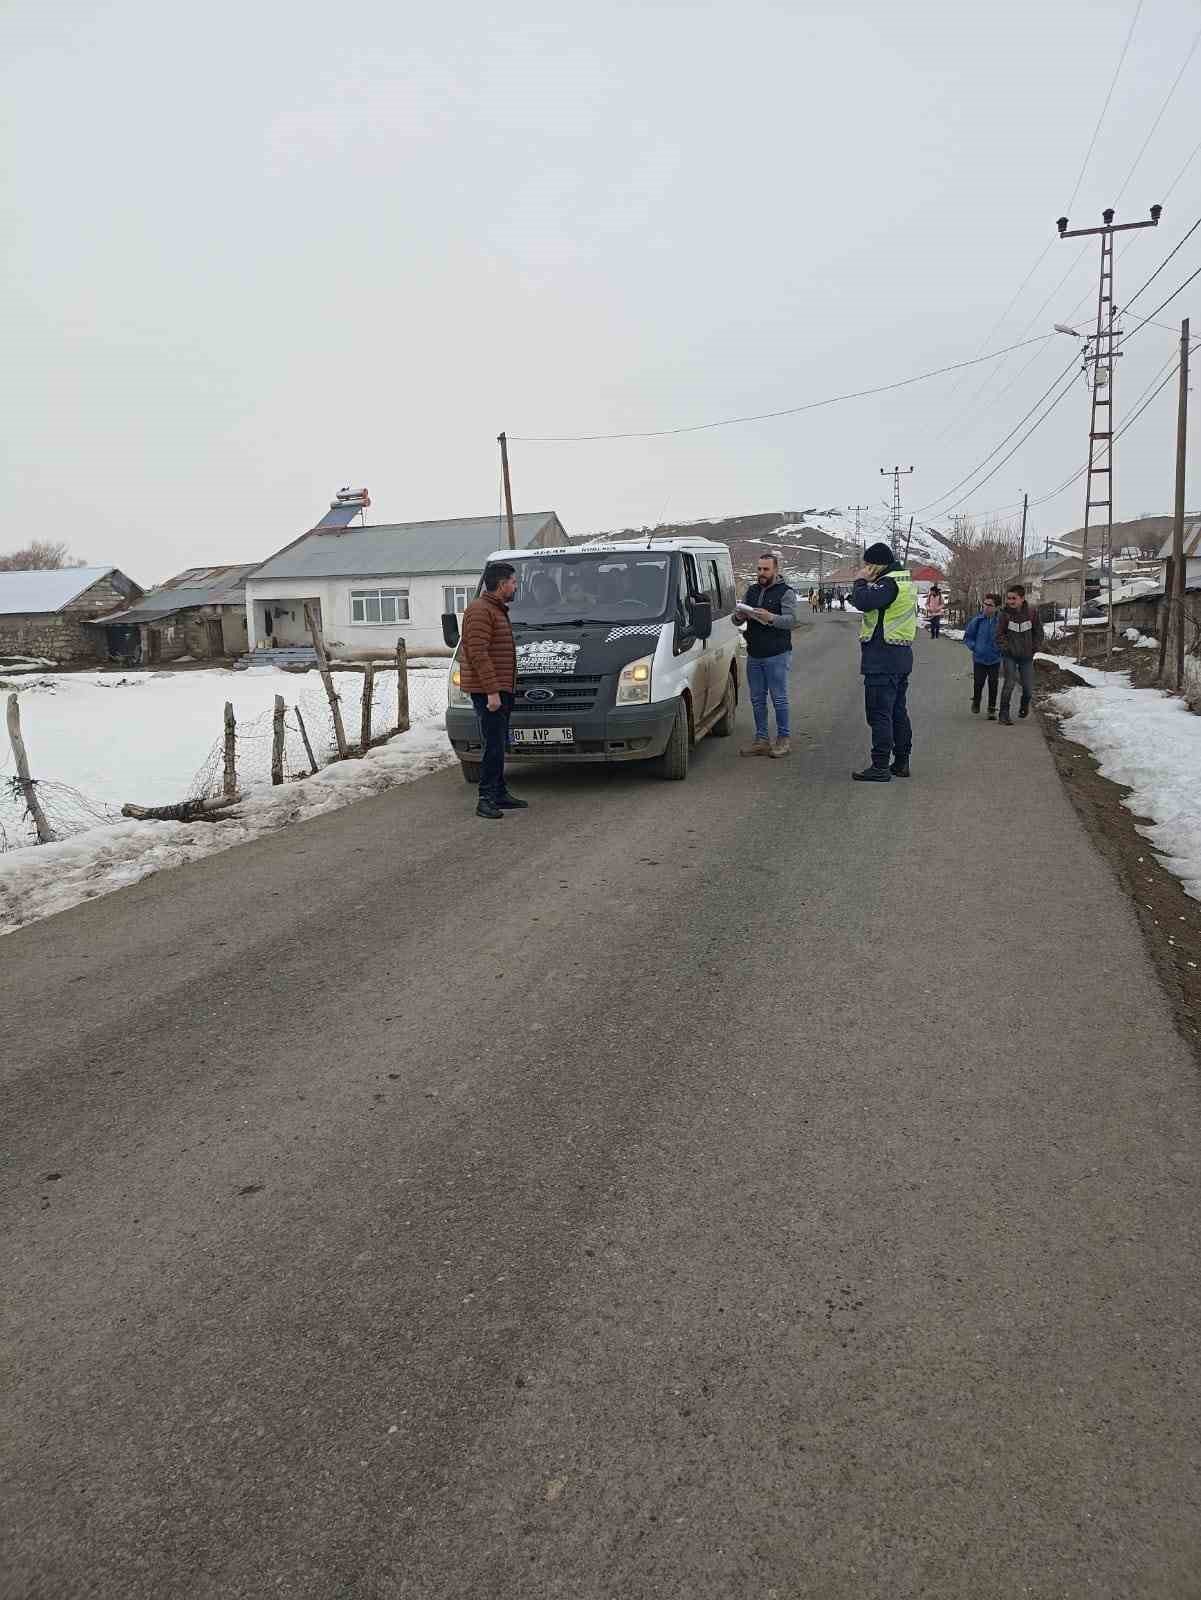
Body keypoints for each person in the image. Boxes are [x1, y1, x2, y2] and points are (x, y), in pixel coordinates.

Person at [459, 561, 526, 820]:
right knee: (493, 745)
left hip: (499, 688)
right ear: (501, 584)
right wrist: (492, 692)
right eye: (513, 582)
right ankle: (485, 798)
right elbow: (477, 653)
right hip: (489, 691)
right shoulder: (480, 610)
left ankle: (499, 793)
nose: (516, 586)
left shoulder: (495, 609)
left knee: (499, 743)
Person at [848, 541, 918, 782]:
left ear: (877, 565)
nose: (865, 568)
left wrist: (859, 581)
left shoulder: (889, 583)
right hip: (899, 656)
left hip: (882, 659)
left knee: (879, 714)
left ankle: (880, 766)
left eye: (867, 564)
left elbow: (864, 601)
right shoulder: (903, 581)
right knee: (897, 712)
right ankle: (901, 762)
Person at [737, 552, 800, 758]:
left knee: (779, 698)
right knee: (757, 699)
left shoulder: (786, 592)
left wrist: (771, 617)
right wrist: (739, 616)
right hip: (754, 653)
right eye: (759, 569)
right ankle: (761, 740)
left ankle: (783, 739)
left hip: (777, 654)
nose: (761, 573)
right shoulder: (752, 591)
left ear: (776, 570)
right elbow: (737, 620)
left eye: (766, 569)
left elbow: (791, 621)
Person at [996, 583, 1044, 725]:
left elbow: (1039, 633)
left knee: (1028, 688)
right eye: (1008, 598)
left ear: (1022, 599)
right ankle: (1003, 714)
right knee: (1009, 683)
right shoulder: (1004, 615)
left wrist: (1034, 647)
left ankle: (1024, 705)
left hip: (1026, 657)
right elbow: (999, 635)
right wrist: (1006, 648)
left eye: (1013, 598)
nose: (1010, 601)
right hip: (1009, 655)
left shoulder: (1031, 613)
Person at [963, 593, 1002, 718]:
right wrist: (975, 647)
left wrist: (1000, 649)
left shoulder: (1001, 622)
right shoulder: (977, 620)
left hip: (995, 659)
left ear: (997, 607)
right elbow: (968, 637)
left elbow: (1006, 638)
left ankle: (991, 708)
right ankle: (976, 701)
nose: (986, 607)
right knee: (979, 682)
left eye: (990, 605)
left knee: (993, 683)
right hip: (979, 658)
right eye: (985, 604)